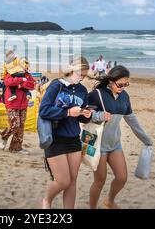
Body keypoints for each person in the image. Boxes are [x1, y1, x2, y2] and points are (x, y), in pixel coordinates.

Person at [87, 65, 153, 209]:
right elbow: (84, 116)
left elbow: (132, 120)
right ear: (111, 81)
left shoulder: (124, 96)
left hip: (115, 144)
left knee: (122, 177)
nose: (123, 87)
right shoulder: (96, 95)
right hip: (98, 145)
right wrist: (98, 116)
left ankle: (109, 200)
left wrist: (146, 139)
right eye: (120, 84)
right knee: (99, 181)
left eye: (126, 84)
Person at [38, 57, 93, 209]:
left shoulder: (82, 90)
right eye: (80, 74)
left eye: (84, 75)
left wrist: (85, 115)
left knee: (73, 181)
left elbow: (80, 117)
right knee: (63, 181)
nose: (81, 78)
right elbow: (44, 110)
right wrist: (68, 112)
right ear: (71, 70)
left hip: (73, 139)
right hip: (55, 138)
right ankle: (47, 200)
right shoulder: (57, 85)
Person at [0, 57, 35, 154]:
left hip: (23, 104)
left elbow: (32, 85)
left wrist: (20, 85)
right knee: (15, 125)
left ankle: (16, 148)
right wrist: (22, 80)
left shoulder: (27, 74)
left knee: (21, 126)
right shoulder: (10, 73)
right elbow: (8, 82)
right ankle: (4, 136)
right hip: (11, 103)